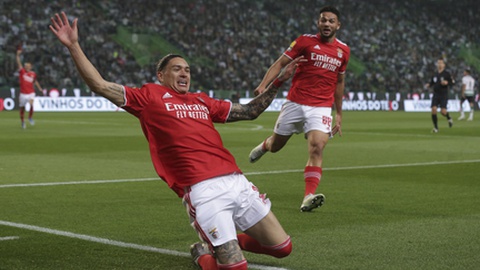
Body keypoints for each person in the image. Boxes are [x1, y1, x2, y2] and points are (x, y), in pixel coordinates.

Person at [49, 12, 305, 269]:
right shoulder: (149, 97)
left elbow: (251, 112)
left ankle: (225, 244)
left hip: (237, 182)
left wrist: (279, 80)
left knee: (283, 248)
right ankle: (203, 253)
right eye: (177, 69)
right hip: (203, 191)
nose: (185, 73)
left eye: (188, 70)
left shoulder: (202, 100)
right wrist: (73, 45)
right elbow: (99, 85)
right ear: (161, 75)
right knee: (236, 267)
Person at [248, 6, 350, 212]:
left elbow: (339, 82)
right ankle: (265, 145)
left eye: (331, 21)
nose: (327, 24)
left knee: (317, 146)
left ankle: (308, 196)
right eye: (323, 20)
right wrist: (263, 85)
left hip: (321, 107)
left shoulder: (343, 51)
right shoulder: (304, 41)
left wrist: (338, 112)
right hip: (296, 102)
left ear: (338, 25)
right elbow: (280, 63)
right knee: (277, 145)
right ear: (318, 23)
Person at [424, 58, 454, 133]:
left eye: (441, 63)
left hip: (443, 94)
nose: (439, 64)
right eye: (438, 63)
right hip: (436, 94)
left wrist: (447, 83)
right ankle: (436, 128)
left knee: (443, 112)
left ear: (444, 65)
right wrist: (429, 85)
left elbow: (452, 82)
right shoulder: (435, 74)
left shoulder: (447, 74)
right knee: (434, 110)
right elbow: (432, 82)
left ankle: (449, 117)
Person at [16, 49, 43, 129]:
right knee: (22, 108)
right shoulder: (22, 72)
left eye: (28, 66)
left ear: (30, 67)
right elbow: (19, 63)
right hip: (23, 93)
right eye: (26, 66)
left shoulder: (33, 74)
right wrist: (17, 55)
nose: (27, 67)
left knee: (31, 103)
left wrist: (39, 88)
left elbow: (35, 81)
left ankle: (30, 117)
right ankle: (23, 122)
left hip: (31, 92)